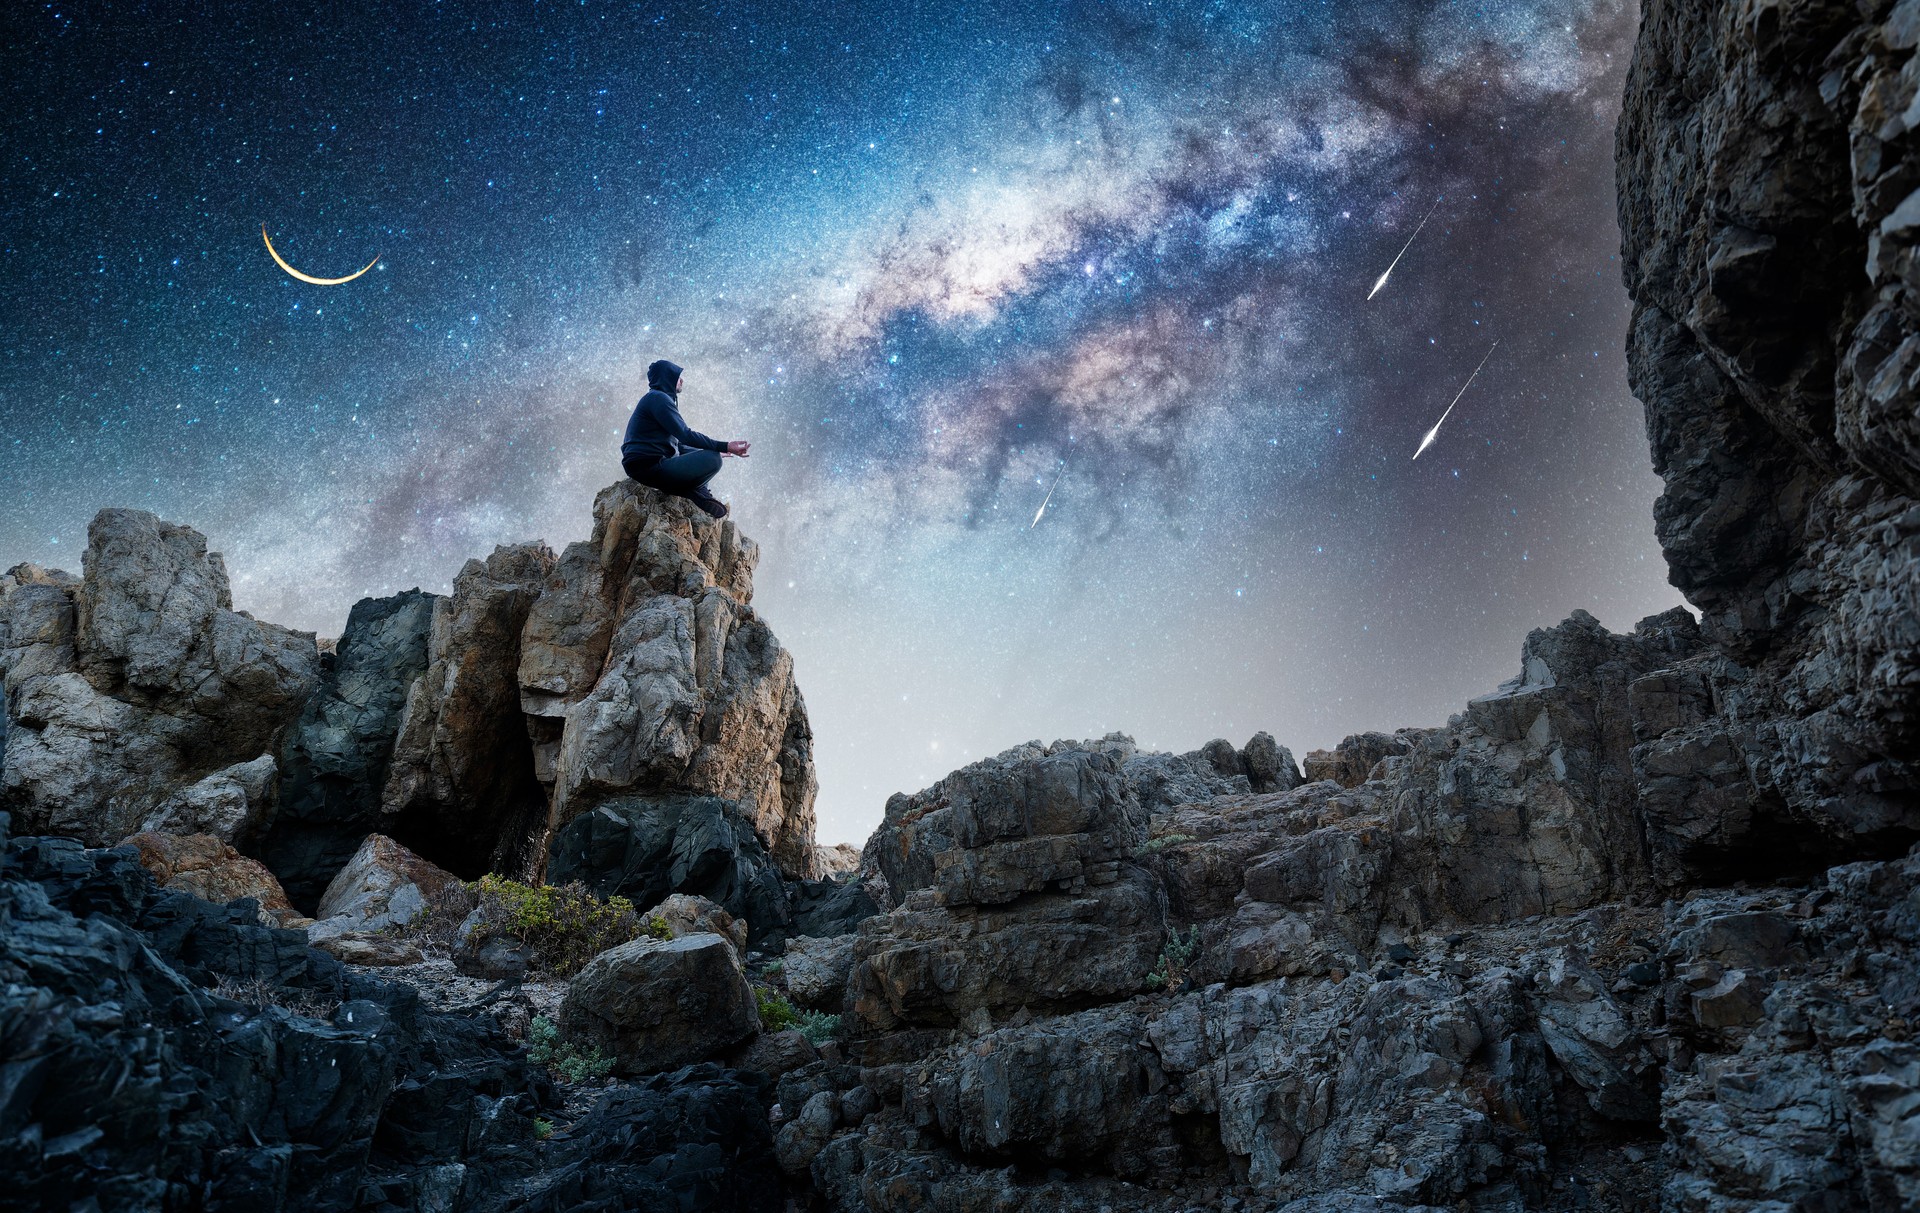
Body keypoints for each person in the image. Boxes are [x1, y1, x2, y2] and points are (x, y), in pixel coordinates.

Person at [619, 359, 750, 519]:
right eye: (677, 376)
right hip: (649, 465)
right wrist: (725, 446)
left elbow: (678, 444)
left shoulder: (657, 399)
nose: (682, 380)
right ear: (667, 378)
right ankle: (696, 491)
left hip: (647, 464)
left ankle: (692, 490)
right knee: (713, 459)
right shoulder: (658, 399)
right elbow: (685, 435)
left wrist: (703, 452)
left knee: (706, 452)